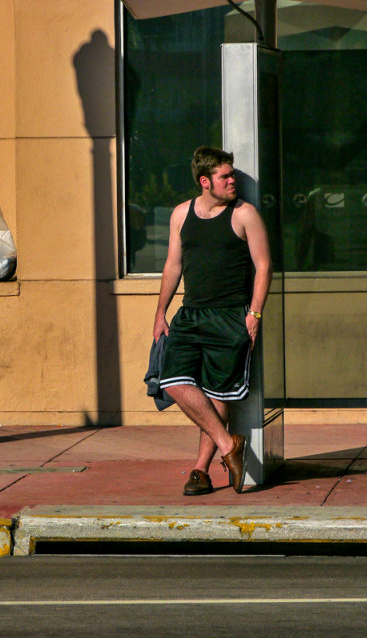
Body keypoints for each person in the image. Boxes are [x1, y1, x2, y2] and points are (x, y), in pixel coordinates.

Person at [152, 146, 272, 495]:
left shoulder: (245, 214)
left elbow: (263, 266)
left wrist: (254, 312)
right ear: (206, 182)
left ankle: (200, 471)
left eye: (232, 174)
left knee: (218, 394)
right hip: (190, 315)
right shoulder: (180, 215)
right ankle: (228, 444)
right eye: (225, 176)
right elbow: (173, 266)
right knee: (171, 380)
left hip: (230, 316)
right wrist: (160, 312)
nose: (233, 180)